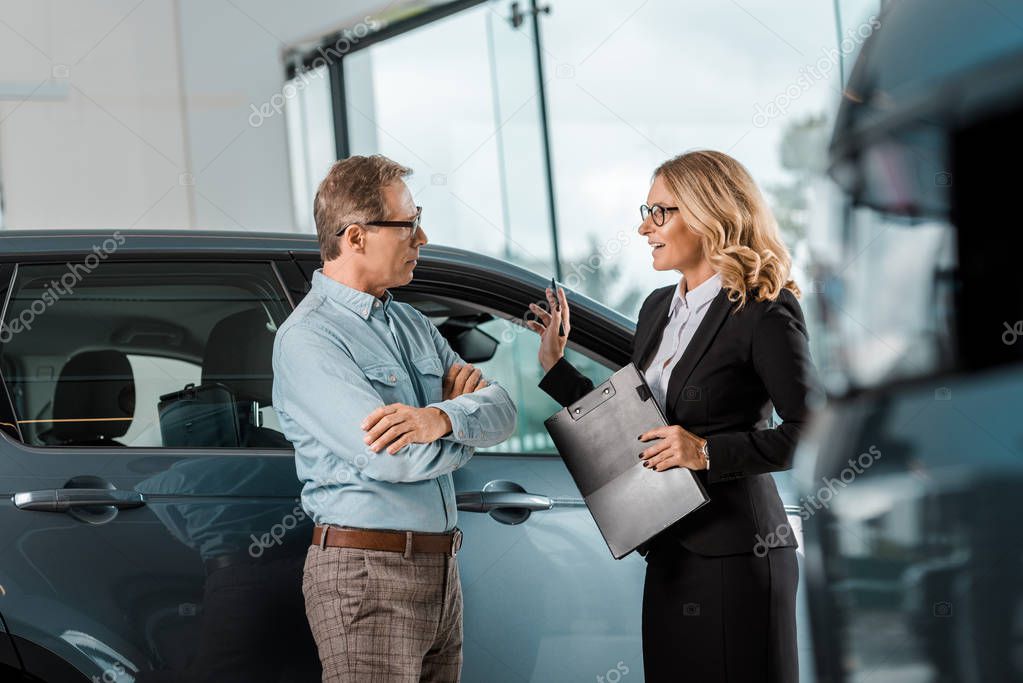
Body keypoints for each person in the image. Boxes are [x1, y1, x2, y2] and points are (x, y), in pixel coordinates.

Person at [526, 150, 820, 682]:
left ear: (708, 214)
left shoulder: (763, 311)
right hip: (670, 555)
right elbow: (637, 425)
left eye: (660, 212)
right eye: (647, 211)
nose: (644, 227)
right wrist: (556, 368)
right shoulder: (657, 308)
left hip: (739, 555)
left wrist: (706, 452)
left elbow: (813, 432)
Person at [272, 154, 517, 682]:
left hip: (439, 571)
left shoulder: (410, 322)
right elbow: (398, 460)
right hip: (367, 575)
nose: (422, 236)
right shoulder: (311, 338)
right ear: (355, 236)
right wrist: (459, 422)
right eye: (407, 223)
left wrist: (439, 420)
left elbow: (505, 410)